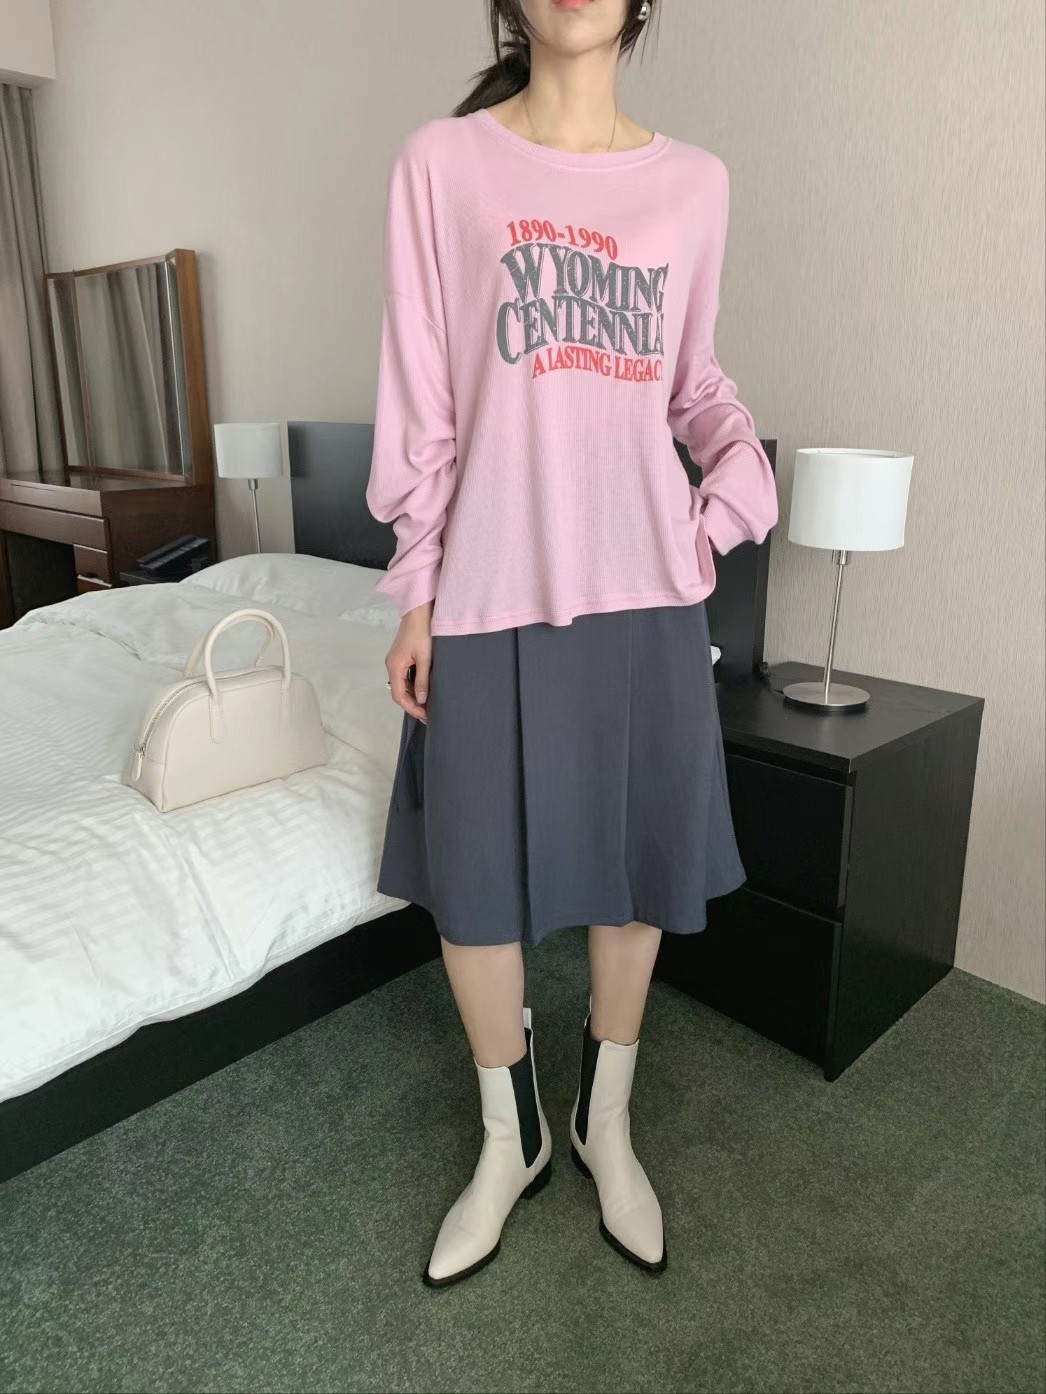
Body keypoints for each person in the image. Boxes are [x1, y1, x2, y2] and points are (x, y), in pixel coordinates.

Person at [365, 0, 778, 1289]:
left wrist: (730, 499)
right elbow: (423, 397)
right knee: (472, 878)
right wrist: (418, 590)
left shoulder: (695, 184)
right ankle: (516, 1137)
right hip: (488, 585)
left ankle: (607, 1120)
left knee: (636, 865)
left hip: (643, 592)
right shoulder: (443, 165)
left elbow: (692, 382)